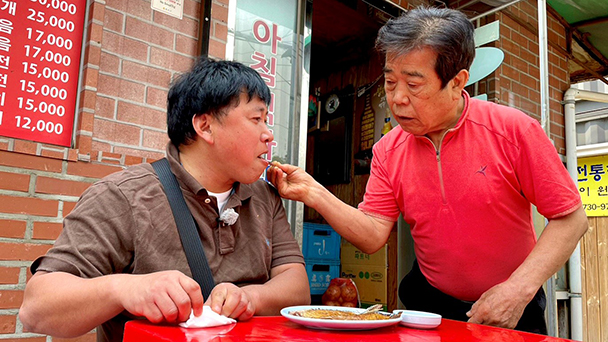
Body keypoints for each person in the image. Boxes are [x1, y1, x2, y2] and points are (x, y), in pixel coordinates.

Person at [267, 6, 588, 334]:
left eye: (413, 85)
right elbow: (374, 233)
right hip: (432, 307)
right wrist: (314, 192)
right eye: (390, 82)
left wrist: (519, 289)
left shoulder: (513, 130)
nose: (398, 99)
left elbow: (571, 218)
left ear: (456, 82)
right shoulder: (388, 150)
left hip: (512, 302)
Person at [19, 58, 310, 342]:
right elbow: (36, 309)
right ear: (205, 126)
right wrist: (124, 289)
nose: (268, 135)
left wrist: (249, 297)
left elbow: (297, 289)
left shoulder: (264, 196)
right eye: (256, 119)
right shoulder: (123, 195)